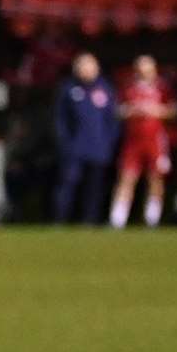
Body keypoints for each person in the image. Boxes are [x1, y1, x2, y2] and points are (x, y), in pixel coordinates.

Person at [110, 55, 177, 229]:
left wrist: (156, 111)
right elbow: (118, 110)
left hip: (155, 139)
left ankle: (152, 218)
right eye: (140, 69)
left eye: (147, 69)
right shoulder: (129, 87)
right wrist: (132, 110)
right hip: (133, 140)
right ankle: (118, 218)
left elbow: (174, 110)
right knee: (127, 177)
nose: (144, 72)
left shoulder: (162, 88)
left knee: (155, 178)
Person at [53, 51, 119, 224]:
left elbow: (112, 121)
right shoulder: (68, 89)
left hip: (98, 149)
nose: (86, 70)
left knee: (94, 189)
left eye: (90, 66)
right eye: (83, 65)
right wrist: (65, 142)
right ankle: (60, 220)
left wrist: (108, 143)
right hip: (74, 148)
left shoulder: (105, 89)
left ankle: (90, 221)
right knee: (68, 184)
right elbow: (61, 120)